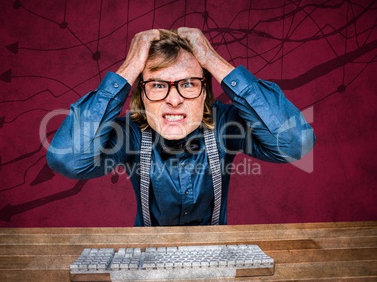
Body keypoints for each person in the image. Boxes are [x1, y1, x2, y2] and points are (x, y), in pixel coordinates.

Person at [46, 28, 315, 226]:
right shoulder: (130, 134)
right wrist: (129, 68)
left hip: (216, 262)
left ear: (204, 93)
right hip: (145, 264)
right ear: (141, 95)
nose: (174, 100)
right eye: (158, 85)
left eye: (188, 84)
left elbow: (295, 142)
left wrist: (212, 60)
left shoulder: (226, 125)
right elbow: (68, 159)